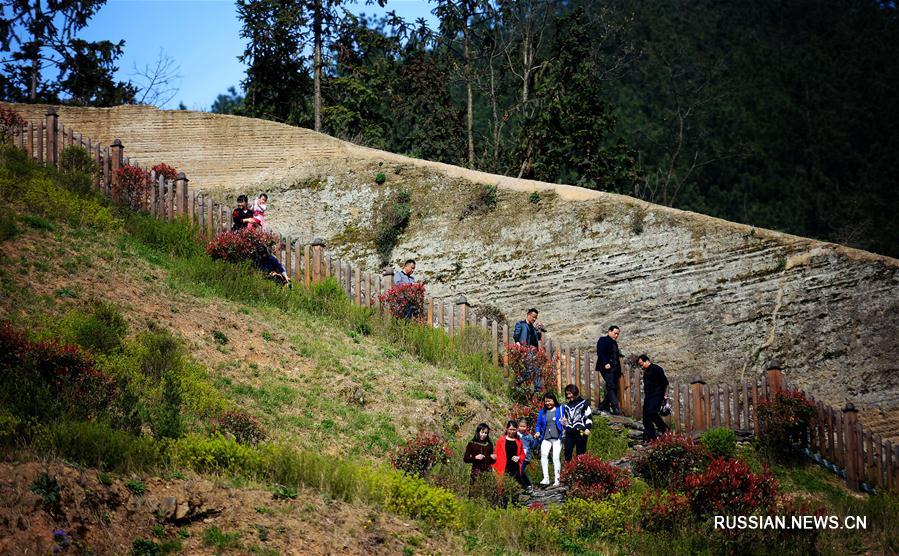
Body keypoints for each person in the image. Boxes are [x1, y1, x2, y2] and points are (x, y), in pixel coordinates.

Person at [493, 420, 532, 492]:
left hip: (515, 468)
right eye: (510, 429)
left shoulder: (518, 441)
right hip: (504, 467)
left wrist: (518, 457)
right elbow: (496, 454)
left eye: (514, 430)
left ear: (516, 430)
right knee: (504, 488)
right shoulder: (501, 441)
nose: (512, 431)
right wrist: (494, 467)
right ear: (507, 429)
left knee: (519, 486)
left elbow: (522, 455)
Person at [638, 354, 669, 442]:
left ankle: (665, 429)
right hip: (648, 397)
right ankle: (652, 439)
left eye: (641, 364)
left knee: (652, 412)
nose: (641, 367)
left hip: (657, 395)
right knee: (645, 418)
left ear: (647, 361)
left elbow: (665, 382)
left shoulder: (656, 369)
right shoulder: (646, 372)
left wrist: (665, 396)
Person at [535, 392, 563, 486]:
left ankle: (557, 479)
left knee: (555, 457)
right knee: (544, 455)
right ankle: (546, 478)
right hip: (546, 437)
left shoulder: (560, 410)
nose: (548, 403)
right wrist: (537, 431)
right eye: (546, 401)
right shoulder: (542, 412)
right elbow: (538, 424)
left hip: (557, 437)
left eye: (549, 401)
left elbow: (565, 420)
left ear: (554, 400)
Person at [561, 384, 593, 462]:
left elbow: (588, 417)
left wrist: (588, 428)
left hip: (580, 431)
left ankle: (580, 470)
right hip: (569, 432)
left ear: (575, 392)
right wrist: (564, 422)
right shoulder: (567, 406)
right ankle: (568, 470)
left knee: (581, 453)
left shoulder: (583, 403)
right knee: (567, 451)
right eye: (567, 394)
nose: (569, 396)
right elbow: (566, 418)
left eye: (570, 393)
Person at [596, 325, 622, 415]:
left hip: (615, 369)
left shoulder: (615, 343)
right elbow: (600, 352)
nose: (616, 335)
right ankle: (615, 408)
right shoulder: (603, 340)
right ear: (609, 331)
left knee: (613, 387)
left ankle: (603, 406)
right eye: (615, 333)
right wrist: (605, 363)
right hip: (606, 367)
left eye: (618, 334)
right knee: (611, 386)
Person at [463, 423, 496, 488]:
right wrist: (475, 457)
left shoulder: (489, 444)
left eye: (486, 433)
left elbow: (491, 462)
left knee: (488, 492)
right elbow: (465, 459)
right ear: (478, 432)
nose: (484, 435)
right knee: (475, 493)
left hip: (487, 472)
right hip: (476, 472)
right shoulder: (472, 444)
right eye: (482, 432)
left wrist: (493, 458)